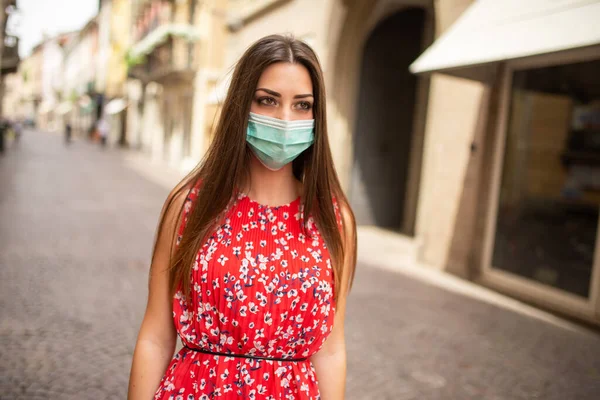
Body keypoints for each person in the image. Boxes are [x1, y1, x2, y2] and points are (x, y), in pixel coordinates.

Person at [128, 35, 357, 400]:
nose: (285, 118)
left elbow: (330, 350)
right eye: (268, 101)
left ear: (317, 116)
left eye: (302, 105)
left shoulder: (332, 219)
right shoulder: (190, 205)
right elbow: (156, 336)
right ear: (240, 106)